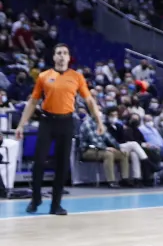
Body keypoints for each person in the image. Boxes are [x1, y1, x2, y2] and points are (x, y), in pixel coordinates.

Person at [15, 43, 105, 214]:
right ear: (54, 57)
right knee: (39, 162)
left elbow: (90, 101)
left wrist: (99, 122)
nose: (62, 56)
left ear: (69, 57)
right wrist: (21, 124)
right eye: (59, 53)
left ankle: (56, 204)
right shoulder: (43, 76)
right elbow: (33, 102)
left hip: (66, 122)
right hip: (47, 121)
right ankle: (35, 198)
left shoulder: (77, 77)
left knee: (62, 164)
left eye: (65, 53)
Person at [77, 110, 130, 188]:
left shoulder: (101, 124)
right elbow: (94, 140)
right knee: (108, 154)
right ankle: (111, 181)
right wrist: (106, 148)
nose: (100, 114)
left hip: (100, 149)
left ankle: (125, 179)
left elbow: (109, 138)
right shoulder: (87, 124)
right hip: (88, 150)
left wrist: (119, 147)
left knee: (124, 154)